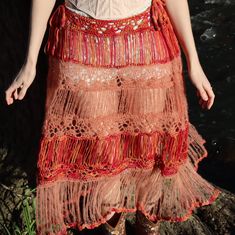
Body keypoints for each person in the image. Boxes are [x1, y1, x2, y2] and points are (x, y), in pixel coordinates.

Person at [5, 0, 221, 234]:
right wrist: (30, 63)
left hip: (145, 39)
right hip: (82, 43)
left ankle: (148, 227)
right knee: (101, 157)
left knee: (151, 149)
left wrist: (195, 63)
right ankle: (113, 229)